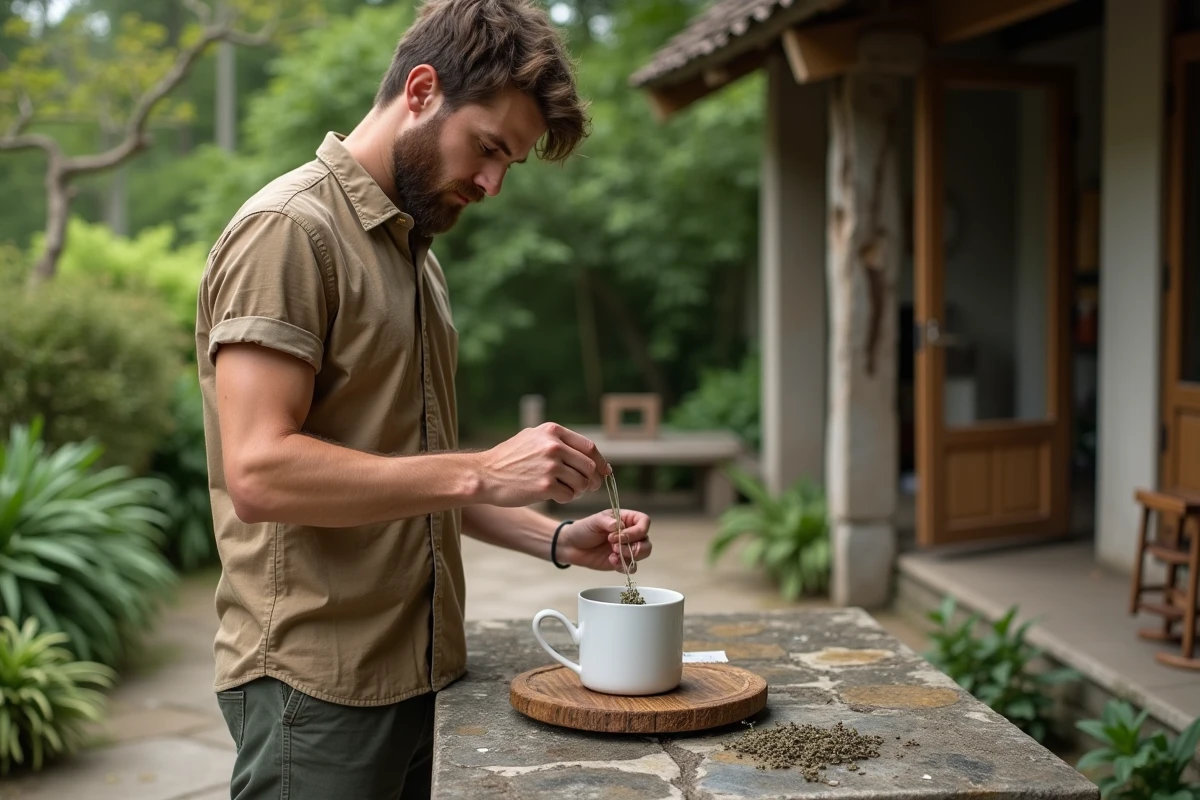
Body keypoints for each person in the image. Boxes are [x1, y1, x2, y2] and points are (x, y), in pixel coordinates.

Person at [193, 1, 653, 797]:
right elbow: (260, 473)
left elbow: (407, 478)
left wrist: (554, 539)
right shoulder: (289, 232)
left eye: (509, 163)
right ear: (421, 88)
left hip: (421, 674)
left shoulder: (415, 256)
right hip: (318, 691)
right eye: (487, 148)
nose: (493, 183)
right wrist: (480, 469)